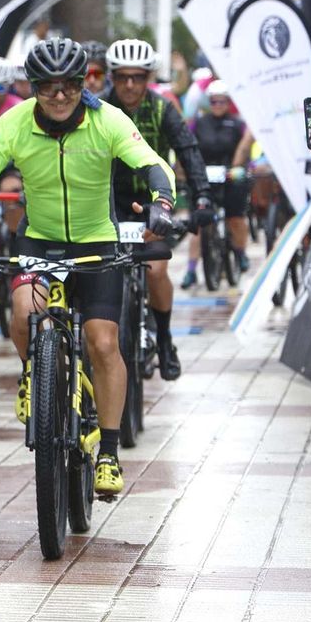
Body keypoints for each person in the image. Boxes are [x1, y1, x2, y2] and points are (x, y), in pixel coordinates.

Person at [0, 38, 177, 498]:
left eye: (69, 86)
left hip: (96, 240)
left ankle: (109, 452)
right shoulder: (15, 123)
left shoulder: (106, 120)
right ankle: (34, 374)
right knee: (24, 313)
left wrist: (162, 203)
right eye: (47, 87)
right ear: (32, 87)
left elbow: (151, 163)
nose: (59, 96)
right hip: (39, 239)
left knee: (103, 342)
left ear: (83, 84)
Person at [103, 38, 210, 379]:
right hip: (108, 203)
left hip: (153, 203)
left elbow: (188, 150)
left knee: (156, 271)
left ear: (148, 77)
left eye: (137, 77)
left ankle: (164, 339)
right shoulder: (98, 108)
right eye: (122, 77)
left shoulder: (163, 109)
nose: (129, 85)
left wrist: (202, 197)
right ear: (111, 77)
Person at [185, 79, 253, 284]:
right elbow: (188, 146)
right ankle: (191, 269)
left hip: (231, 176)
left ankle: (240, 253)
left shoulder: (237, 124)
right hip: (205, 177)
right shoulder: (199, 123)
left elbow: (246, 149)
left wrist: (242, 168)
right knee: (197, 223)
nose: (217, 105)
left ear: (228, 102)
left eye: (222, 101)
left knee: (235, 218)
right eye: (214, 101)